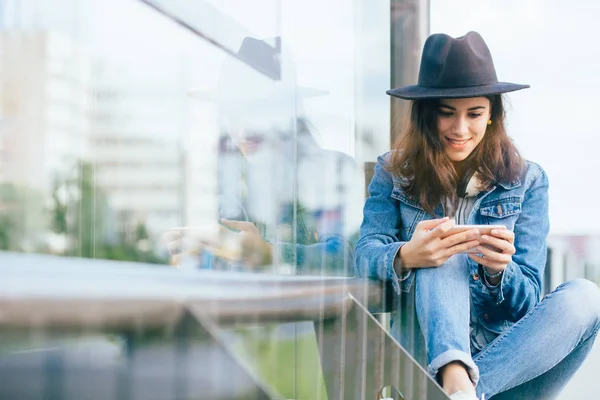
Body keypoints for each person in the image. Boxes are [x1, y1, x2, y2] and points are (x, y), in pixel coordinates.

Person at [354, 31, 600, 400]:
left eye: (474, 114)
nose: (460, 129)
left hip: (510, 373)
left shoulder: (528, 181)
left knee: (587, 297)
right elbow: (364, 256)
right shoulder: (393, 170)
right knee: (444, 246)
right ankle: (453, 382)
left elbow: (529, 299)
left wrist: (498, 271)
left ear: (492, 116)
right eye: (446, 113)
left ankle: (462, 393)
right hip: (425, 361)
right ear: (426, 114)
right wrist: (408, 255)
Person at [166, 36, 361, 275]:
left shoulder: (332, 170)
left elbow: (347, 257)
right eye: (234, 112)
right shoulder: (224, 177)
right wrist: (199, 254)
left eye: (256, 110)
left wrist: (270, 252)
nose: (245, 129)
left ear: (287, 110)